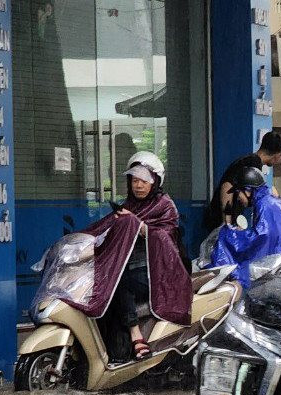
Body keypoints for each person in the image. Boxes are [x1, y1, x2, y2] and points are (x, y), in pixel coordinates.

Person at [76, 151, 193, 362]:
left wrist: (138, 226)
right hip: (130, 269)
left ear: (155, 182)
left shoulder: (165, 206)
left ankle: (136, 335)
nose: (138, 186)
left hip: (158, 274)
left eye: (144, 181)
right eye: (134, 180)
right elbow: (104, 233)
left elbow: (166, 239)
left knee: (118, 281)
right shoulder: (128, 206)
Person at [203, 132, 281, 232]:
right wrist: (227, 223)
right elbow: (227, 186)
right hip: (221, 219)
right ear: (278, 154)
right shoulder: (252, 163)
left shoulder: (252, 163)